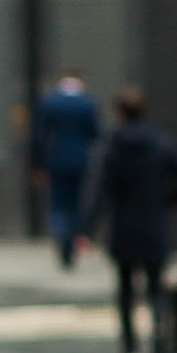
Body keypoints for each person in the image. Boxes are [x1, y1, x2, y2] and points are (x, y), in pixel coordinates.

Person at [92, 89, 177, 353]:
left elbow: (101, 192)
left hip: (124, 226)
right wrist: (166, 202)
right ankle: (160, 332)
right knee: (155, 286)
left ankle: (129, 346)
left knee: (126, 288)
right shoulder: (162, 145)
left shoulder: (113, 148)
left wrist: (87, 227)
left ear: (120, 114)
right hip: (153, 224)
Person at [31, 69, 102, 268]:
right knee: (76, 203)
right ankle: (71, 241)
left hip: (56, 159)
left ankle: (62, 238)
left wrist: (38, 164)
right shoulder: (87, 104)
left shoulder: (51, 102)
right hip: (79, 160)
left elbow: (38, 135)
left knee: (58, 203)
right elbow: (95, 134)